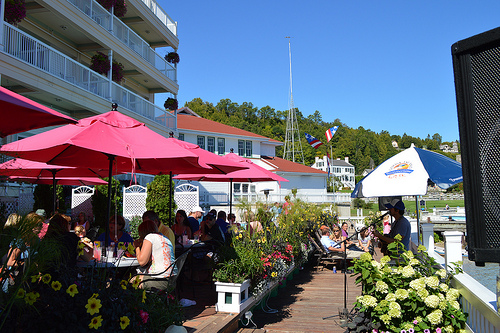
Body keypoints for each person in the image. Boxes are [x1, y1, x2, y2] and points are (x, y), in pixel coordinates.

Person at [133, 220, 175, 290]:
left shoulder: (149, 237)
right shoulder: (164, 237)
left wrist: (137, 247)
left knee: (132, 280)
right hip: (171, 279)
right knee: (139, 274)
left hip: (161, 280)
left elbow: (142, 262)